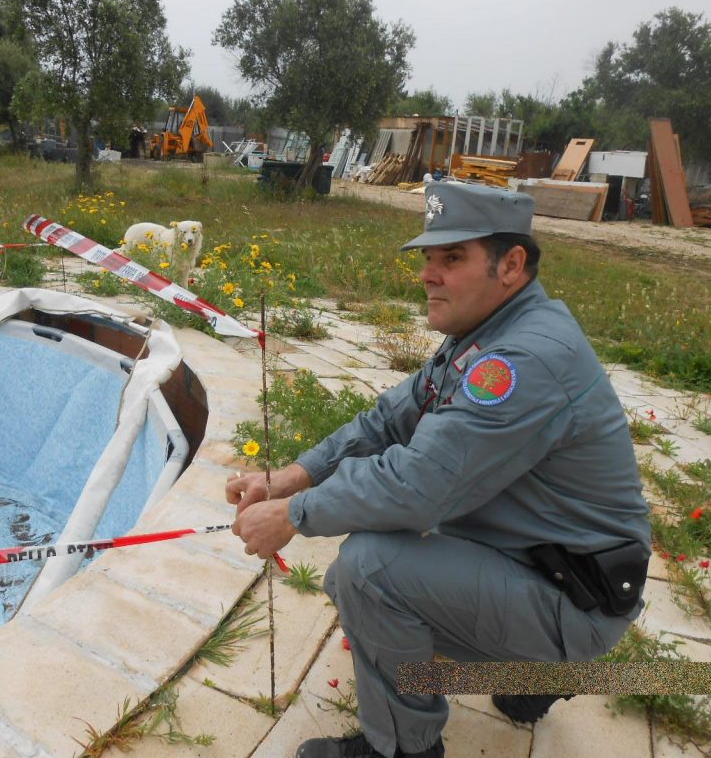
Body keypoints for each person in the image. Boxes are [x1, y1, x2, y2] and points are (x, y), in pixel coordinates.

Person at [226, 181, 651, 758]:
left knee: (368, 573)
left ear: (512, 264)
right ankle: (534, 679)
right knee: (368, 581)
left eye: (453, 258)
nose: (430, 274)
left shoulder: (523, 359)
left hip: (576, 597)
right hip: (546, 563)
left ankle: (403, 749)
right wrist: (293, 477)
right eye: (429, 258)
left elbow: (417, 486)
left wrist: (293, 515)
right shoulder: (486, 333)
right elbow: (388, 419)